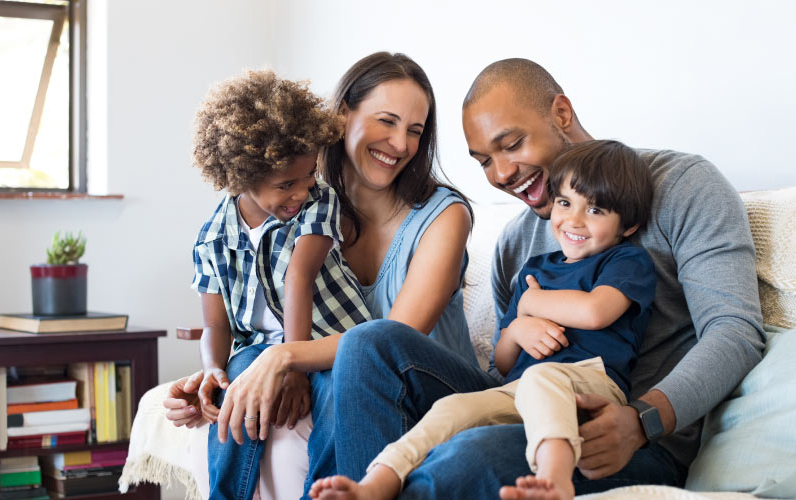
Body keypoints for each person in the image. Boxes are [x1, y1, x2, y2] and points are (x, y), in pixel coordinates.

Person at [324, 58, 765, 498]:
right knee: (370, 343)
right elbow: (506, 368)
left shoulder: (683, 186)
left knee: (465, 458)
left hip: (625, 435)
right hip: (526, 403)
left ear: (561, 114)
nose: (501, 175)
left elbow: (735, 331)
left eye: (512, 144)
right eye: (484, 162)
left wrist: (642, 420)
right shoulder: (516, 243)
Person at [163, 52, 479, 499]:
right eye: (386, 121)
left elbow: (393, 340)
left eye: (415, 130)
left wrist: (285, 357)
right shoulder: (299, 204)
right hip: (341, 370)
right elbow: (247, 312)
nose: (401, 144)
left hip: (428, 387)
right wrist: (217, 377)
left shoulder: (443, 216)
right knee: (250, 374)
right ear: (342, 115)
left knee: (353, 359)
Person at [309, 139, 656, 500]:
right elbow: (504, 362)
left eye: (596, 211)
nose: (574, 220)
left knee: (542, 376)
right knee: (452, 408)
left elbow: (595, 311)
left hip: (591, 386)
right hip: (518, 390)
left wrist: (532, 303)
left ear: (628, 226)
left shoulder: (625, 261)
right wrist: (519, 326)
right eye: (565, 203)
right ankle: (376, 483)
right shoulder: (535, 269)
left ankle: (556, 479)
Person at [186, 69, 374, 500]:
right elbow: (216, 326)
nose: (301, 191)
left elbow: (299, 278)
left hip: (331, 339)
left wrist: (293, 365)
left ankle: (325, 493)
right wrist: (214, 367)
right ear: (239, 177)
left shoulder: (318, 200)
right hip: (257, 348)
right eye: (285, 184)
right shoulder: (212, 238)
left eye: (308, 175)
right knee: (236, 389)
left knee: (335, 395)